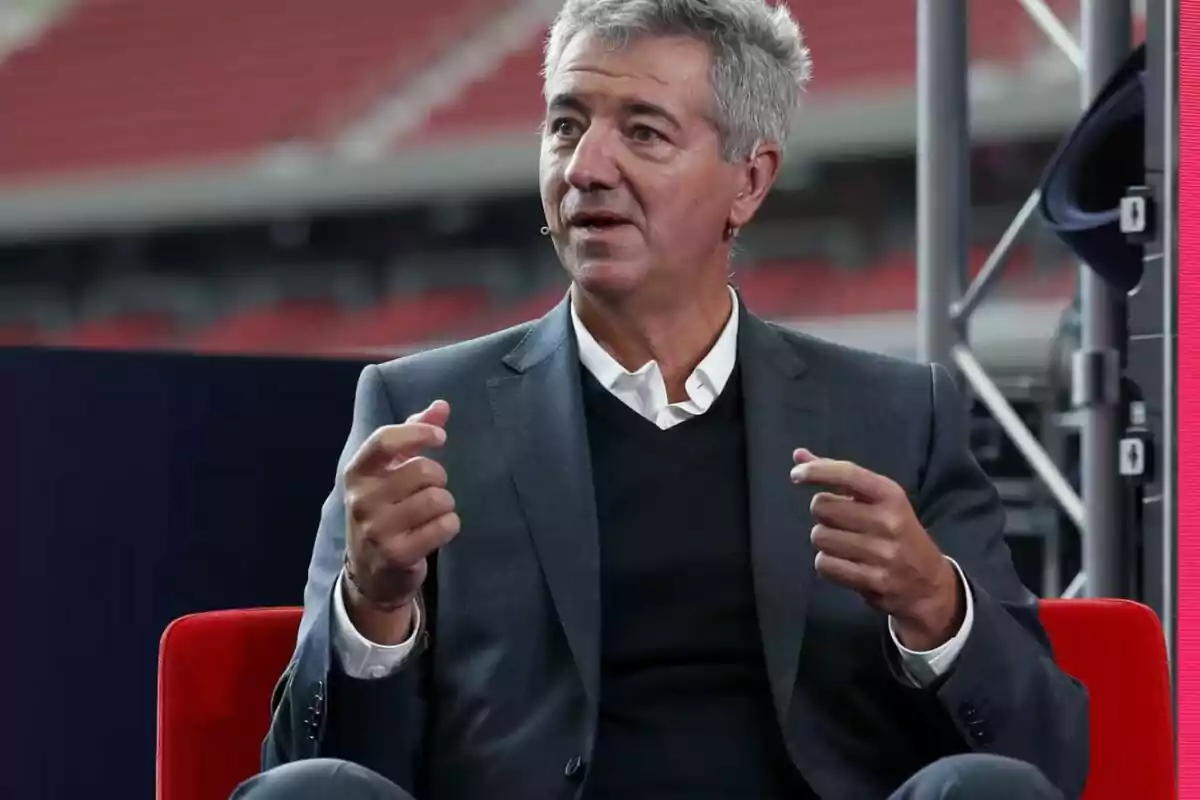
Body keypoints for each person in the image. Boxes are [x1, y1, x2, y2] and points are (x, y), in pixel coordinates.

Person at [234, 1, 1089, 798]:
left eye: (642, 133)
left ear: (747, 184)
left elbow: (1045, 756)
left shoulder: (898, 417)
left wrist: (935, 604)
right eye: (566, 124)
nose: (586, 167)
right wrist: (373, 607)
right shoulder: (419, 413)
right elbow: (313, 766)